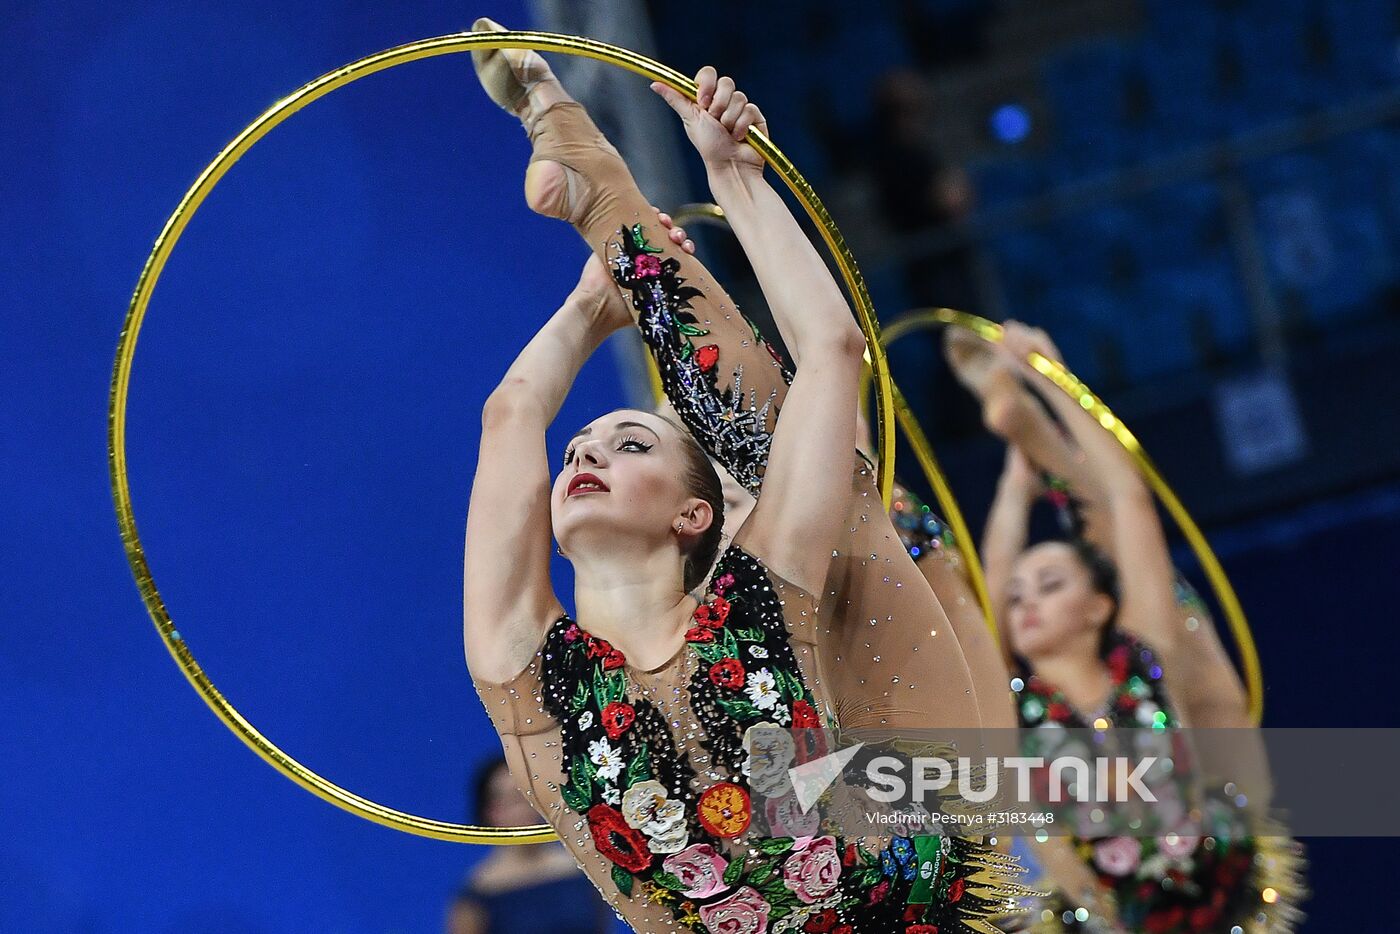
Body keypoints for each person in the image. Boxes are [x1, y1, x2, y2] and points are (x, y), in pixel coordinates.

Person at [462, 18, 1021, 931]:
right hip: (918, 844)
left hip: (894, 812)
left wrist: (733, 179)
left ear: (696, 515)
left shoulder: (538, 662)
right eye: (586, 450)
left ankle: (594, 180)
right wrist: (603, 291)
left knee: (830, 491)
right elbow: (510, 418)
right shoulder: (539, 667)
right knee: (831, 494)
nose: (585, 453)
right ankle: (598, 191)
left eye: (618, 446)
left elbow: (834, 354)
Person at [968, 323, 1304, 933]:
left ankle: (1036, 432)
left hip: (1218, 895)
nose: (1027, 605)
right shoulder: (1012, 703)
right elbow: (991, 580)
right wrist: (1012, 494)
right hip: (1109, 922)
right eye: (1018, 598)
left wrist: (1058, 380)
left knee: (1180, 622)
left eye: (1051, 586)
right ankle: (1033, 439)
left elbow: (1130, 500)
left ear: (1099, 608)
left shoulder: (1143, 658)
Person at [448, 757, 614, 934]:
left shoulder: (582, 870)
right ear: (490, 811)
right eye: (514, 800)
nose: (526, 808)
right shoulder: (478, 894)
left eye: (529, 796)